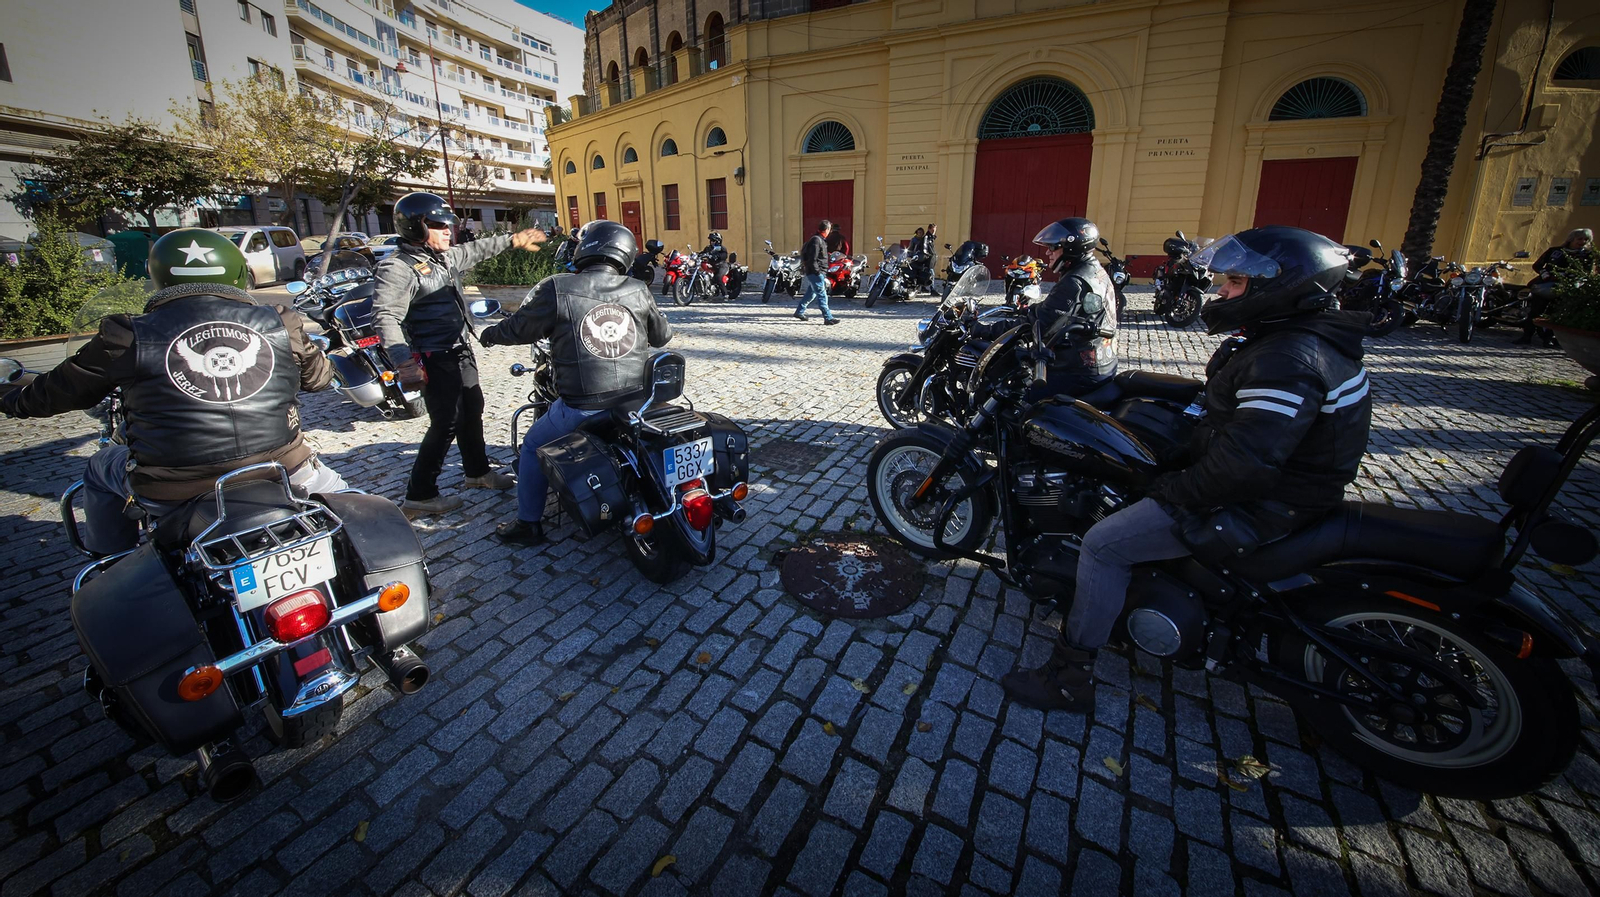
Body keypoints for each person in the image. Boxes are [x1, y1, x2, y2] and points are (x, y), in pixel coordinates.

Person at [1001, 225, 1372, 708]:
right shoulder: (1298, 339)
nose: (1220, 290)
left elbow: (1244, 466)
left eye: (1235, 283)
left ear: (1283, 288)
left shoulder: (1288, 358)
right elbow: (1248, 425)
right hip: (1287, 488)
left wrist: (1169, 486)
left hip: (1264, 503)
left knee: (1103, 544)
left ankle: (1070, 677)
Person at [0, 228, 348, 554]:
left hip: (175, 486)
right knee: (353, 507)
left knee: (99, 465)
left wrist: (11, 397)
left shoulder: (127, 333)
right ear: (237, 272)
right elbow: (319, 380)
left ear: (159, 275)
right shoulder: (279, 320)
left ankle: (112, 560)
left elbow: (55, 393)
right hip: (284, 468)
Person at [478, 221, 673, 546]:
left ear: (586, 249)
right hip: (635, 401)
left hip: (582, 407)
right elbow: (662, 336)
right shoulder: (638, 288)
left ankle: (528, 525)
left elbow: (521, 328)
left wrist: (489, 333)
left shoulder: (559, 286)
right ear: (625, 254)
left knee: (531, 446)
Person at [372, 192, 547, 518]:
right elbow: (385, 317)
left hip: (458, 350)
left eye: (448, 225)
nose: (447, 231)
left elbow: (474, 250)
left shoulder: (442, 258)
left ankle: (477, 473)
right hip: (433, 355)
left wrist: (513, 239)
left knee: (472, 408)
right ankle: (420, 494)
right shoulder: (397, 269)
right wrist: (403, 362)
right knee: (446, 423)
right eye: (439, 225)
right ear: (416, 226)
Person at [972, 217, 1117, 398]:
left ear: (1072, 248)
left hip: (1078, 371)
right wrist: (1027, 310)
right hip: (1100, 361)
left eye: (1053, 247)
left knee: (1013, 401)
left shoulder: (1074, 282)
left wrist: (982, 330)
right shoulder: (1092, 270)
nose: (1048, 253)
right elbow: (1055, 311)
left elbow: (1036, 324)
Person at [1516, 227, 1594, 347]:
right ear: (1571, 239)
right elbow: (1538, 265)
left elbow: (1586, 272)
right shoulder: (1555, 251)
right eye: (1579, 239)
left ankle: (1549, 339)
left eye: (1585, 239)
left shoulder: (1587, 255)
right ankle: (1527, 336)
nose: (1582, 242)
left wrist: (1571, 276)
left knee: (1555, 314)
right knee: (1535, 312)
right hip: (1545, 286)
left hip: (1566, 288)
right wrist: (1544, 273)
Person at [795, 220, 840, 325]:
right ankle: (828, 317)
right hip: (815, 273)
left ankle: (799, 312)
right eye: (829, 229)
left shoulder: (820, 239)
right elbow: (812, 258)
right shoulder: (816, 240)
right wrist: (818, 272)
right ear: (826, 229)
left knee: (811, 294)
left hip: (817, 272)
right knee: (822, 295)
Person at [700, 231, 731, 299]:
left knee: (718, 277)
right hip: (712, 266)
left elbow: (724, 255)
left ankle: (725, 294)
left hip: (722, 266)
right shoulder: (708, 248)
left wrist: (717, 256)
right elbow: (702, 253)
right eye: (711, 240)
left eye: (713, 240)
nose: (711, 242)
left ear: (718, 241)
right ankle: (706, 291)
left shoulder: (722, 248)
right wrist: (696, 255)